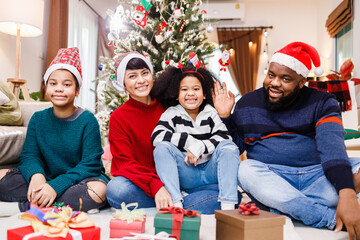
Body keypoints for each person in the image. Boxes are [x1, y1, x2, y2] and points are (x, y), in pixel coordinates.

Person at [213, 41, 360, 238]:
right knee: (245, 169)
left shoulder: (323, 102)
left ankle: (282, 206)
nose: (274, 83)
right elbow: (235, 147)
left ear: (301, 83)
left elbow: (331, 146)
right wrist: (225, 117)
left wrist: (346, 192)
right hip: (272, 176)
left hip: (318, 177)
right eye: (271, 75)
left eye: (285, 79)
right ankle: (326, 217)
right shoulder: (247, 103)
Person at [106, 52, 229, 214]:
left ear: (152, 75)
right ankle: (182, 202)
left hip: (183, 179)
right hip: (146, 182)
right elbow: (125, 164)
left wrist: (223, 115)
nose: (141, 80)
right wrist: (157, 186)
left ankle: (173, 202)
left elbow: (208, 133)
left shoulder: (170, 105)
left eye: (145, 73)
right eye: (132, 76)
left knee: (228, 192)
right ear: (123, 83)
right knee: (117, 189)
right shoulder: (118, 117)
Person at [0, 47, 109, 216]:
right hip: (45, 178)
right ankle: (60, 204)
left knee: (99, 191)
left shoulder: (88, 120)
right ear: (46, 87)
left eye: (67, 84)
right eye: (53, 83)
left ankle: (25, 207)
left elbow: (90, 165)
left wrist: (55, 186)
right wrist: (36, 176)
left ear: (77, 90)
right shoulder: (38, 119)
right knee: (2, 177)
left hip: (77, 180)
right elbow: (29, 156)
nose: (59, 88)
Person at [151, 65, 240, 210]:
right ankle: (176, 204)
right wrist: (189, 142)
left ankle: (228, 207)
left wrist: (201, 146)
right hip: (188, 173)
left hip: (210, 172)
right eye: (184, 89)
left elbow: (224, 137)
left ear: (204, 94)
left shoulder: (211, 112)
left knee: (229, 147)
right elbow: (157, 136)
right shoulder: (172, 113)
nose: (190, 93)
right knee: (161, 148)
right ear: (177, 94)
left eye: (196, 89)